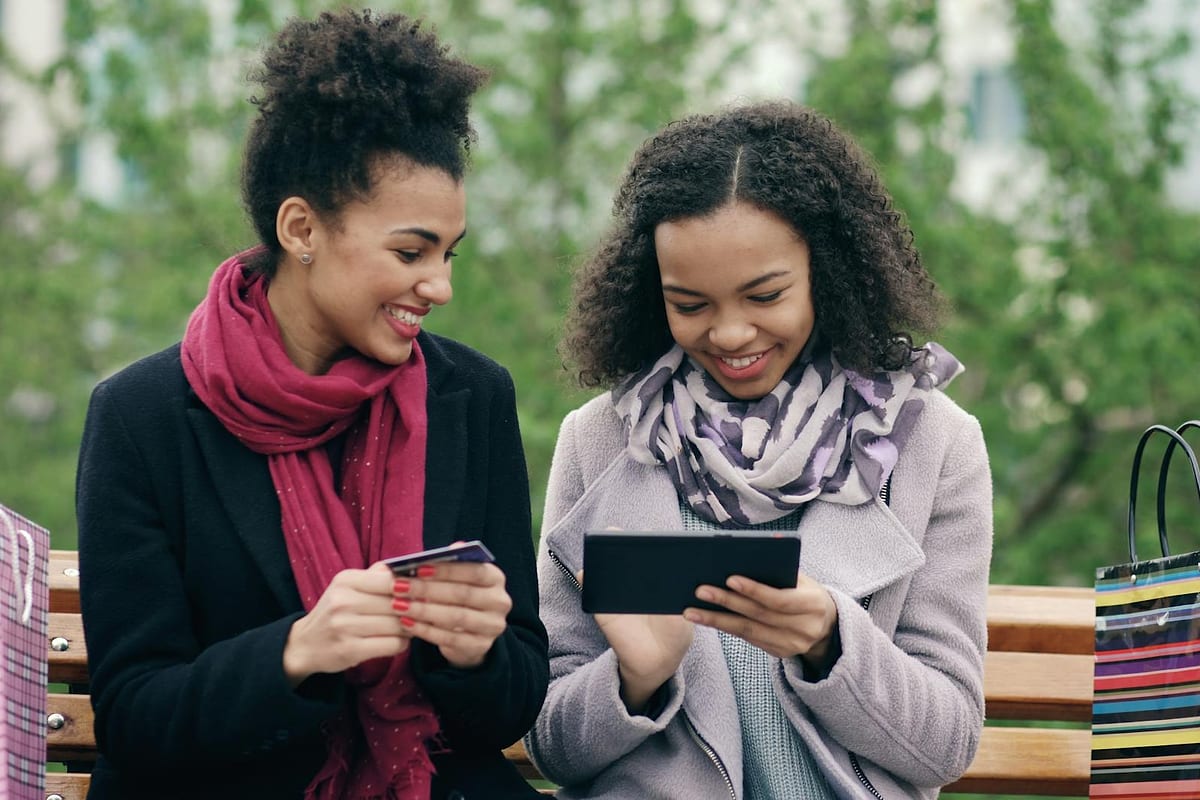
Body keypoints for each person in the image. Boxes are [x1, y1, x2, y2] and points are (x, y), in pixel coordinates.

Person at [75, 10, 548, 800]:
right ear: (301, 228)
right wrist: (297, 652)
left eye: (448, 254)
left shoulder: (473, 396)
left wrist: (473, 655)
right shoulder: (142, 416)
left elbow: (511, 702)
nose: (440, 287)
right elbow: (133, 714)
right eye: (410, 252)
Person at [524, 100, 993, 799]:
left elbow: (946, 743)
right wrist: (635, 679)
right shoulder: (599, 440)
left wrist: (832, 642)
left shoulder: (931, 443)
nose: (731, 334)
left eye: (765, 295)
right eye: (690, 305)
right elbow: (552, 745)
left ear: (827, 273)